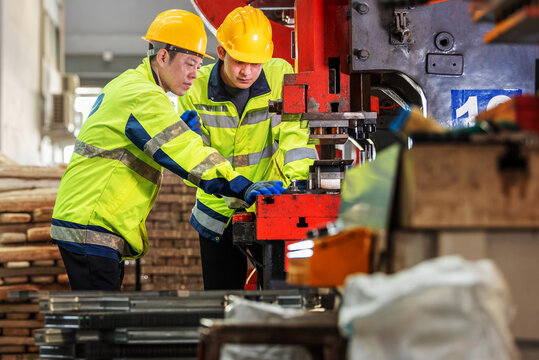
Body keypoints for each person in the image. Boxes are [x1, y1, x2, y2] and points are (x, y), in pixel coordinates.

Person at [50, 9, 285, 291]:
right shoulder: (143, 96)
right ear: (162, 57)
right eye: (189, 64)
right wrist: (243, 187)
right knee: (100, 327)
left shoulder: (132, 86)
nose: (194, 75)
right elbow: (188, 155)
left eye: (198, 66)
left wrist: (178, 132)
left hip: (95, 222)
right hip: (93, 224)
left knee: (102, 320)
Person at [178, 6, 318, 290]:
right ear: (221, 53)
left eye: (256, 63)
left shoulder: (280, 74)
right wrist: (237, 186)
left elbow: (295, 136)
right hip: (217, 212)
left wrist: (299, 184)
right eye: (240, 61)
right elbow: (192, 159)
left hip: (271, 202)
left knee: (277, 297)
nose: (248, 72)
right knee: (222, 301)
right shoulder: (194, 89)